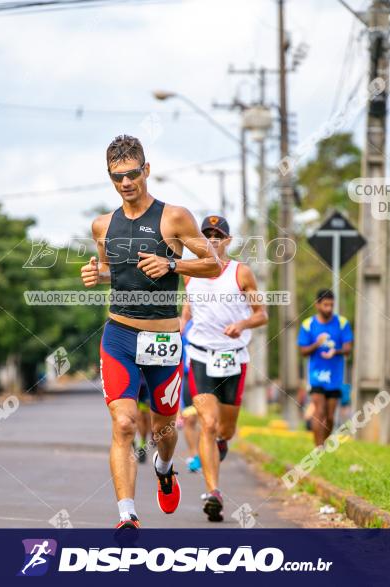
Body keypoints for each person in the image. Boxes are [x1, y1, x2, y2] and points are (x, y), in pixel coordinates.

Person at [81, 135, 221, 530]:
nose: (125, 183)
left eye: (131, 174)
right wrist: (97, 273)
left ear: (146, 170)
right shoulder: (102, 225)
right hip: (120, 335)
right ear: (110, 178)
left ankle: (164, 466)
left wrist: (172, 265)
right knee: (124, 423)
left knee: (164, 429)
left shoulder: (174, 217)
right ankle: (128, 515)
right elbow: (113, 271)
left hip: (163, 339)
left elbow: (211, 265)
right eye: (116, 177)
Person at [181, 215, 268, 522]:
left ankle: (220, 444)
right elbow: (189, 309)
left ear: (228, 241)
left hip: (233, 358)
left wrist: (242, 323)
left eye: (219, 236)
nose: (213, 241)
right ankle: (213, 492)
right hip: (202, 356)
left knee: (225, 430)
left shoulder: (241, 273)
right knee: (206, 423)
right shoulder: (190, 274)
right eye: (207, 236)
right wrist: (178, 329)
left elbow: (261, 314)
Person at [298, 289, 353, 448]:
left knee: (330, 416)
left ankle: (323, 444)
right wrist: (317, 343)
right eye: (325, 305)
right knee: (319, 411)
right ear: (317, 305)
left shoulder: (342, 323)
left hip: (335, 376)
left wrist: (336, 351)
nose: (328, 308)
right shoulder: (308, 324)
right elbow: (303, 351)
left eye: (331, 305)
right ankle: (318, 448)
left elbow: (348, 349)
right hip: (316, 375)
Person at [177, 320, 201, 474]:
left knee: (208, 419)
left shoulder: (210, 319)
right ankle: (195, 455)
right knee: (190, 419)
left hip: (206, 376)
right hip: (187, 376)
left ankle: (206, 452)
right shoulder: (183, 324)